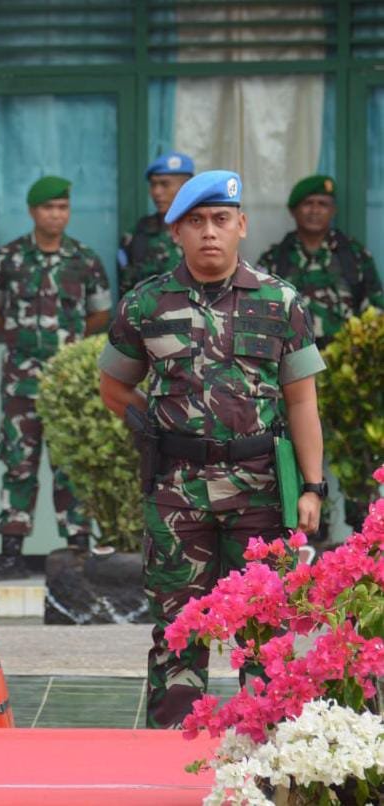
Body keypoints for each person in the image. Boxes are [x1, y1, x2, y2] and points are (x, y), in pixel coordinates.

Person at [98, 170, 326, 728]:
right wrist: (153, 429)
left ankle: (270, 748)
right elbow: (113, 388)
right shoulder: (145, 304)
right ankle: (169, 749)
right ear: (176, 231)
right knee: (177, 629)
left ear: (241, 225)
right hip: (177, 492)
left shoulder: (281, 301)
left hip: (260, 490)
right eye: (195, 221)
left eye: (221, 219)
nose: (209, 232)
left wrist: (313, 488)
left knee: (264, 629)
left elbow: (302, 401)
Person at [0, 176, 111, 580]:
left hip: (68, 383)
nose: (56, 215)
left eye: (63, 207)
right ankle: (11, 553)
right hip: (21, 381)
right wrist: (21, 340)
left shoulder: (85, 260)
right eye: (49, 207)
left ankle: (79, 550)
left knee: (71, 465)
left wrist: (68, 345)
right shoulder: (8, 259)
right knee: (18, 464)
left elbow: (100, 314)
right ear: (33, 211)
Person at [255, 175, 383, 532]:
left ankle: (364, 538)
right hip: (293, 378)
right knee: (298, 452)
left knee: (356, 458)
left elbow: (374, 314)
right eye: (307, 204)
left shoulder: (353, 257)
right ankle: (312, 533)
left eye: (322, 204)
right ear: (294, 211)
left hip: (345, 379)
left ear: (333, 210)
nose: (314, 211)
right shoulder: (275, 259)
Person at [117, 151, 194, 297]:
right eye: (153, 185)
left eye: (165, 184)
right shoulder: (136, 236)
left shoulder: (204, 232)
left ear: (186, 186)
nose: (157, 192)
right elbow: (127, 293)